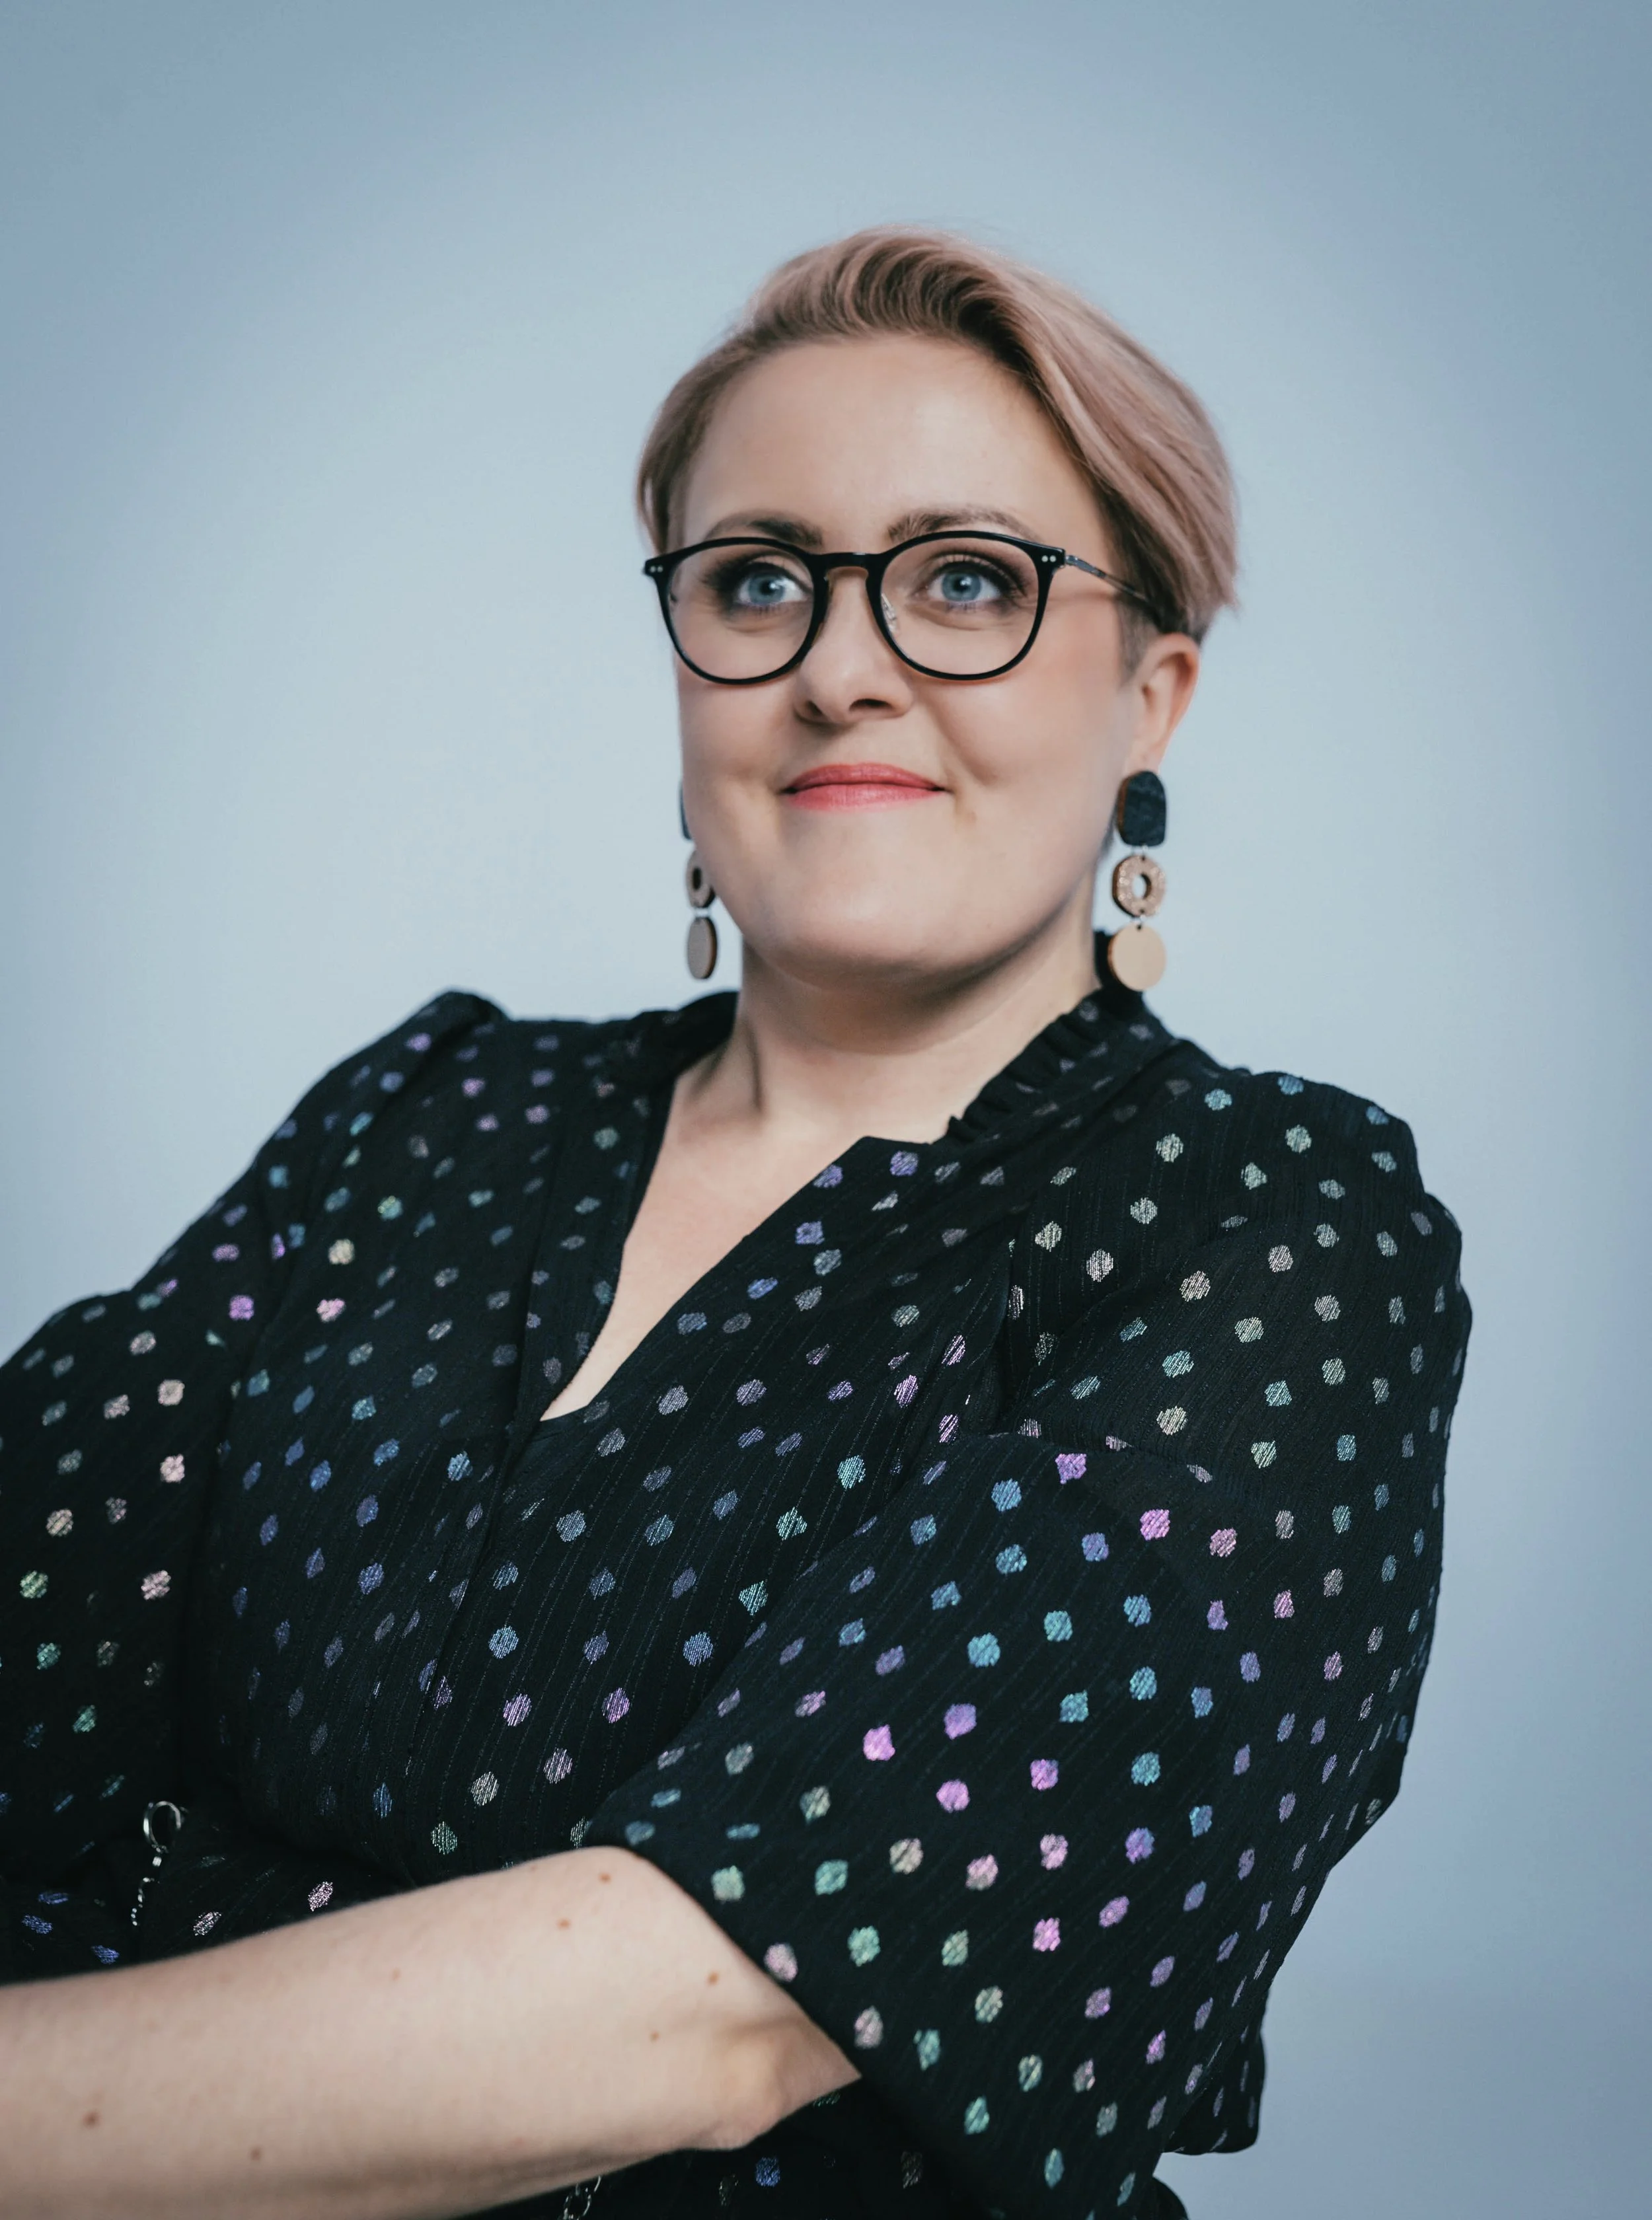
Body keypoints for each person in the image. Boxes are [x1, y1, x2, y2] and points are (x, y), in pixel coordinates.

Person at [0, 228, 1469, 2220]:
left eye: (968, 580)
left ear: (1153, 693)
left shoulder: (1271, 1227)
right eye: (759, 581)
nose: (839, 667)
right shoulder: (433, 1114)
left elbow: (724, 2004)